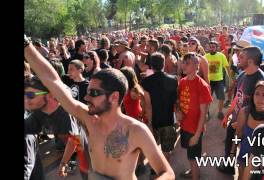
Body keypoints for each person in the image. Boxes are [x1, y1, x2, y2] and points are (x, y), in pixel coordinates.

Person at [24, 37, 175, 180]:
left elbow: (167, 172)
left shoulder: (136, 130)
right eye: (88, 92)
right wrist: (26, 44)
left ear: (114, 97)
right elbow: (53, 81)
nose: (86, 98)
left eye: (94, 93)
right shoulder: (88, 119)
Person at [218, 46, 264, 175]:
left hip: (248, 124)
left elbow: (262, 108)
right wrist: (227, 115)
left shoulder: (261, 81)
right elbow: (237, 97)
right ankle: (229, 167)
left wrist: (242, 123)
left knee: (244, 153)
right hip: (236, 119)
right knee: (230, 144)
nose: (237, 59)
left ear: (250, 61)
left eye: (241, 57)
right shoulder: (243, 74)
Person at [177, 52, 213, 180]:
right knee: (190, 155)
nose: (183, 65)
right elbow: (178, 100)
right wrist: (178, 111)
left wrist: (197, 135)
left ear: (197, 66)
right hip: (185, 125)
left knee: (194, 158)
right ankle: (192, 171)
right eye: (183, 62)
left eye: (187, 63)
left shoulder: (202, 86)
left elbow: (204, 113)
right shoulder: (182, 82)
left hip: (194, 129)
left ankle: (195, 175)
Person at [231, 81, 264, 180]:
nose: (260, 98)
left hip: (262, 163)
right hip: (243, 157)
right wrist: (232, 152)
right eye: (257, 94)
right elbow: (238, 134)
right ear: (252, 96)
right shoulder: (244, 112)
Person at [141, 53, 178, 163]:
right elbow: (175, 101)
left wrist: (150, 123)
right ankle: (166, 172)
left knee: (153, 148)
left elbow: (148, 106)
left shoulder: (146, 81)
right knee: (167, 151)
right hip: (169, 120)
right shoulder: (173, 79)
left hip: (155, 121)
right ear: (163, 64)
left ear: (151, 66)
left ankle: (156, 171)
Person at [204, 41, 231, 120]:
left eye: (213, 47)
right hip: (209, 81)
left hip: (219, 80)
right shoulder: (205, 56)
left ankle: (220, 112)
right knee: (207, 98)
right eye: (210, 47)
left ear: (217, 48)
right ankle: (207, 112)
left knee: (221, 97)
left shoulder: (221, 56)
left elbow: (226, 66)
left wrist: (230, 78)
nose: (212, 48)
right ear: (208, 47)